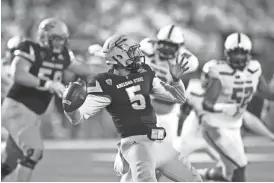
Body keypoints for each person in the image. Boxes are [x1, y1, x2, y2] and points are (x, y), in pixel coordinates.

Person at [64, 34, 202, 182]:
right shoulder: (104, 83)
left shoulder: (144, 72)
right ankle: (125, 155)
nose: (138, 55)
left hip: (159, 141)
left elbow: (178, 97)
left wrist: (176, 79)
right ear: (119, 57)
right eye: (132, 52)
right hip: (136, 143)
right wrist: (69, 107)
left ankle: (124, 159)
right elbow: (77, 117)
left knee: (195, 180)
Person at [1, 17, 108, 181]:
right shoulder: (30, 48)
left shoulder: (63, 55)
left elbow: (87, 68)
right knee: (34, 151)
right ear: (44, 37)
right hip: (17, 108)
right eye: (56, 39)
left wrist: (115, 65)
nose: (60, 43)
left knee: (8, 164)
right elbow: (19, 74)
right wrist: (46, 83)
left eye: (63, 39)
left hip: (32, 114)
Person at [198, 32, 274, 181]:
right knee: (239, 168)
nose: (239, 57)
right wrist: (224, 108)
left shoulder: (254, 69)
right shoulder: (219, 71)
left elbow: (265, 93)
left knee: (231, 172)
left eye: (242, 53)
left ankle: (203, 174)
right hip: (215, 125)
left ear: (249, 54)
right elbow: (207, 104)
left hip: (234, 125)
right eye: (235, 53)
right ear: (226, 54)